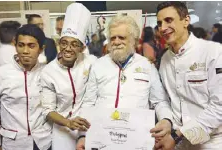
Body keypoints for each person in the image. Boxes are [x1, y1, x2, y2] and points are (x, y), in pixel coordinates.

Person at [76, 15, 171, 150]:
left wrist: (166, 120)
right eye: (112, 38)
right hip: (102, 140)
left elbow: (160, 101)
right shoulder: (98, 65)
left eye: (122, 37)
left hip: (137, 141)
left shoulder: (146, 66)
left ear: (133, 40)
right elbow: (89, 103)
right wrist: (82, 135)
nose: (116, 41)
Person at [151, 1, 222, 150]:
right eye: (159, 23)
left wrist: (179, 135)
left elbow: (219, 107)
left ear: (186, 21)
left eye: (169, 20)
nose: (163, 28)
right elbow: (164, 99)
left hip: (211, 143)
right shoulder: (164, 60)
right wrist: (166, 121)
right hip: (178, 144)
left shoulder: (213, 52)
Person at [0, 24, 52, 150]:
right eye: (21, 45)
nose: (25, 51)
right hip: (13, 144)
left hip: (43, 142)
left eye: (31, 46)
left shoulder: (48, 73)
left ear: (41, 49)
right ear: (15, 45)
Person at [40, 3, 97, 150]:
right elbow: (47, 110)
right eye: (64, 43)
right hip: (62, 130)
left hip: (88, 127)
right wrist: (68, 122)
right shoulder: (49, 72)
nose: (68, 49)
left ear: (82, 48)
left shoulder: (90, 62)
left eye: (74, 44)